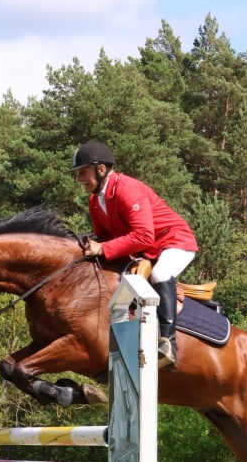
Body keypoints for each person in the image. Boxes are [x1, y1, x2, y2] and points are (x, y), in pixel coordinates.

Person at [69, 141, 198, 368]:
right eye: (78, 173)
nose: (79, 178)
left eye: (83, 172)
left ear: (101, 169)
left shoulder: (127, 190)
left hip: (174, 240)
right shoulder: (95, 201)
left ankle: (168, 344)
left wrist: (104, 248)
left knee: (160, 273)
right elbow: (104, 237)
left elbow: (144, 236)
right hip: (148, 250)